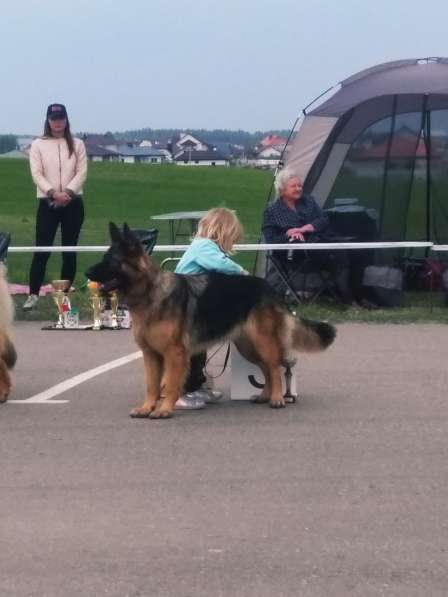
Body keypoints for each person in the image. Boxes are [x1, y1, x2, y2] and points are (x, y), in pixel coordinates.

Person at [174, 207, 247, 410]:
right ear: (222, 232)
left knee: (199, 349)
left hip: (194, 306)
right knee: (189, 351)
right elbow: (221, 265)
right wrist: (242, 272)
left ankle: (195, 386)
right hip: (185, 306)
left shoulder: (203, 246)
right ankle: (181, 391)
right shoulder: (204, 246)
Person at [23, 103, 87, 311]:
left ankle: (65, 297)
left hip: (73, 203)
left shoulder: (77, 144)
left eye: (60, 118)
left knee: (69, 250)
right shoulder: (38, 145)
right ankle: (33, 294)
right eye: (53, 118)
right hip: (47, 203)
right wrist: (53, 193)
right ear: (48, 120)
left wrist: (67, 193)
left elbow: (81, 172)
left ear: (66, 120)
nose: (57, 122)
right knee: (42, 250)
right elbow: (36, 173)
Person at [262, 168, 357, 306]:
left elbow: (324, 219)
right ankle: (347, 299)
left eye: (299, 185)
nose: (298, 189)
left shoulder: (309, 201)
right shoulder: (272, 210)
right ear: (282, 190)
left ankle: (350, 296)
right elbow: (271, 240)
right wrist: (289, 234)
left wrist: (305, 228)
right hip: (292, 254)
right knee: (340, 254)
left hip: (318, 242)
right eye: (293, 186)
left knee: (354, 251)